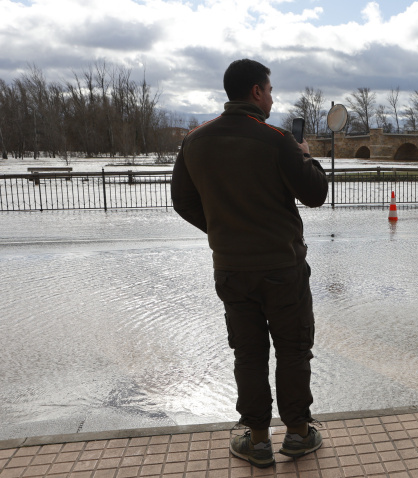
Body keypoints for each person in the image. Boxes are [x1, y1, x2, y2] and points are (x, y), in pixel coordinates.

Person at [171, 59, 328, 468]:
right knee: (293, 350)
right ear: (257, 92)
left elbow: (183, 203)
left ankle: (257, 440)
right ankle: (297, 434)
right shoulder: (276, 139)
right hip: (283, 268)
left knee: (249, 352)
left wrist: (225, 232)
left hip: (231, 268)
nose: (273, 97)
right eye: (270, 90)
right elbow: (314, 194)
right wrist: (306, 157)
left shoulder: (195, 141)